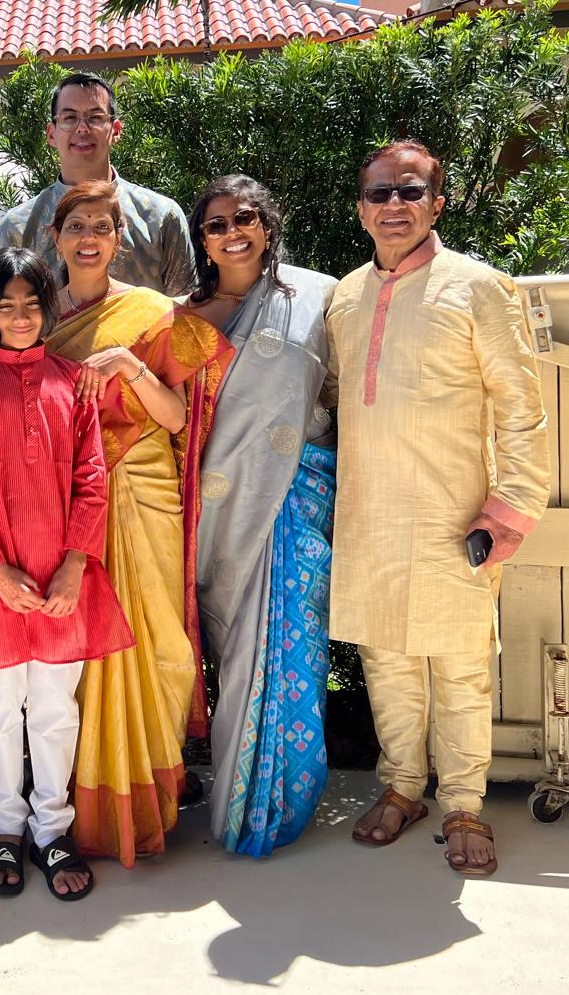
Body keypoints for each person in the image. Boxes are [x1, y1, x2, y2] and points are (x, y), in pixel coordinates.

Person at [0, 179, 229, 865]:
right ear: (55, 239)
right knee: (12, 702)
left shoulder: (149, 317)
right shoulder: (4, 348)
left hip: (125, 513)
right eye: (77, 227)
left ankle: (106, 815)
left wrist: (129, 366)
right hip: (16, 550)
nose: (91, 237)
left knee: (139, 659)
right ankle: (22, 828)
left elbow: (166, 425)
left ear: (121, 235)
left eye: (104, 225)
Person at [327, 139, 549, 876]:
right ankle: (401, 786)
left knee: (458, 665)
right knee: (385, 659)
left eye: (410, 191)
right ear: (360, 209)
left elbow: (521, 408)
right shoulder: (344, 295)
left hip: (454, 514)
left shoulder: (479, 287)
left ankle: (462, 803)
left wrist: (509, 509)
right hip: (367, 514)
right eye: (380, 193)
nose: (394, 205)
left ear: (436, 204)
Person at [0, 247, 135, 900]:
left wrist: (75, 564)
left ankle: (53, 832)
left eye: (30, 304)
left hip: (62, 576)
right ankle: (6, 830)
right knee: (0, 711)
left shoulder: (70, 381)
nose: (19, 316)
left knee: (54, 709)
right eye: (5, 305)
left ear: (47, 309)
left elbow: (91, 476)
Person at [184, 175, 337, 857]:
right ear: (202, 239)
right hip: (214, 514)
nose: (231, 232)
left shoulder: (318, 296)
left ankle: (279, 799)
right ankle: (238, 793)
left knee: (289, 649)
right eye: (215, 224)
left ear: (267, 225)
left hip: (292, 499)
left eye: (244, 218)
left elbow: (341, 398)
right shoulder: (185, 316)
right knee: (233, 656)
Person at [0, 72, 194, 295]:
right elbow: (2, 316)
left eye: (95, 118)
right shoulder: (18, 228)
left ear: (115, 130)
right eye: (69, 118)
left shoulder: (159, 217)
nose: (82, 128)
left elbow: (185, 313)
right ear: (51, 134)